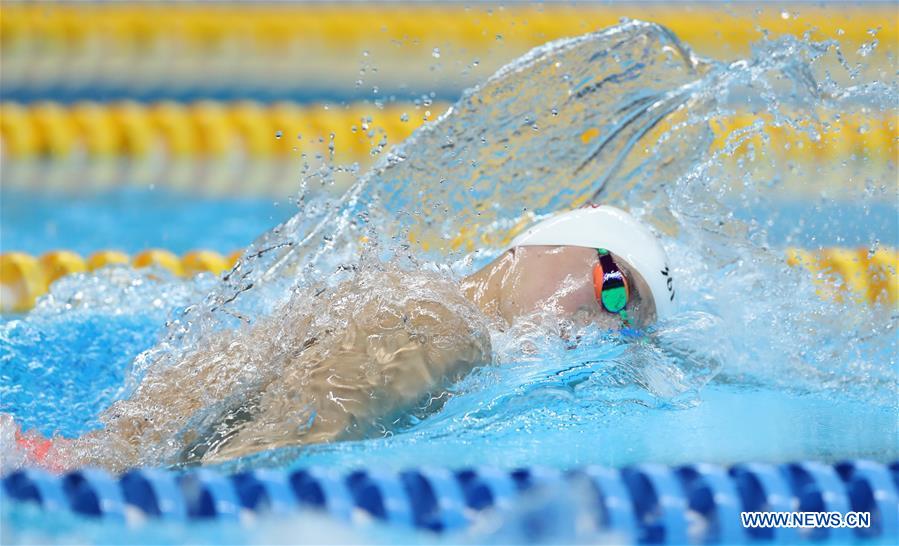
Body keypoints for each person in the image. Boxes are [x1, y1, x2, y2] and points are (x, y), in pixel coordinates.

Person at [10, 205, 674, 471]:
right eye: (612, 284)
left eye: (626, 326)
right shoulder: (444, 333)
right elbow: (242, 468)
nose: (602, 322)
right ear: (533, 244)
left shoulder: (413, 296)